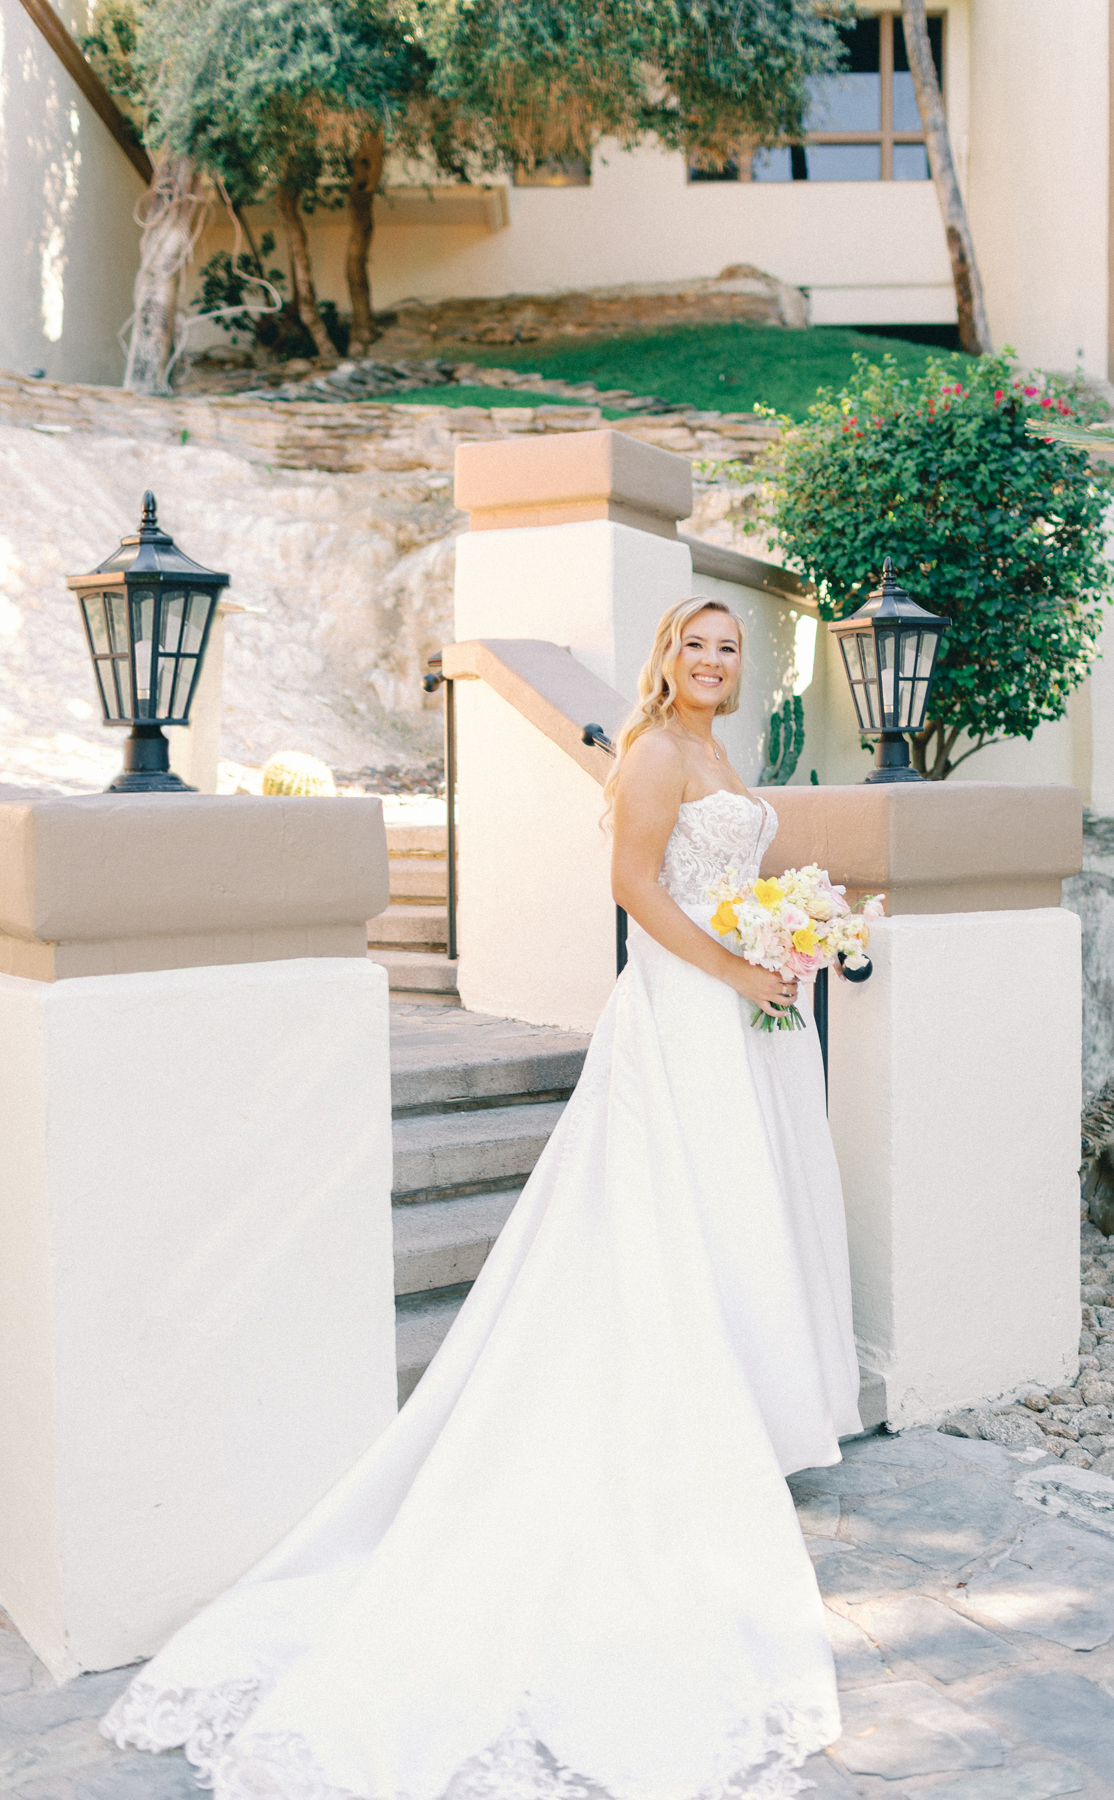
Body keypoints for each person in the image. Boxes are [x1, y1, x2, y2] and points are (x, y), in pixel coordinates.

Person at [102, 595, 863, 1800]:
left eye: (729, 648)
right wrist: (734, 967)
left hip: (741, 1007)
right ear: (667, 657)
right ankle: (687, 1414)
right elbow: (637, 891)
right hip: (684, 1006)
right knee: (681, 1202)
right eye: (696, 645)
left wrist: (782, 943)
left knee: (735, 1206)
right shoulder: (659, 752)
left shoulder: (729, 752)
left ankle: (749, 1401)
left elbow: (726, 877)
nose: (713, 662)